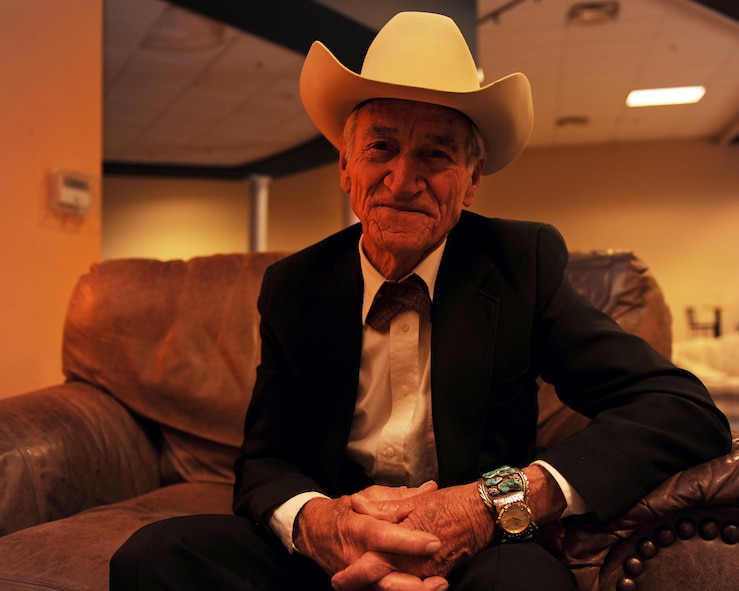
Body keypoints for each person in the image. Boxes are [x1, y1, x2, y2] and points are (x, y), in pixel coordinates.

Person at [110, 11, 731, 591]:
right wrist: (323, 527)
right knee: (156, 558)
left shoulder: (521, 265)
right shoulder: (295, 286)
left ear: (471, 180)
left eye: (435, 154)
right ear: (346, 166)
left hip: (480, 545)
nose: (403, 181)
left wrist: (497, 502)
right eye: (381, 147)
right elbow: (266, 460)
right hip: (339, 553)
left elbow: (679, 408)